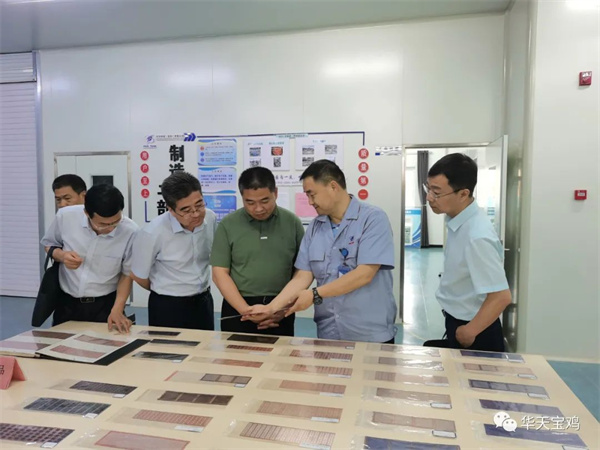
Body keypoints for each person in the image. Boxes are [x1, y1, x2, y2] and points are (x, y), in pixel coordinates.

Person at [243, 159, 397, 343]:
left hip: (369, 333)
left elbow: (364, 274)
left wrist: (314, 294)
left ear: (333, 186)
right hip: (329, 332)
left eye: (312, 194)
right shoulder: (316, 227)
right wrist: (271, 308)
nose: (309, 202)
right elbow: (303, 276)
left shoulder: (372, 219)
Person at [424, 153, 511, 351]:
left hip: (476, 330)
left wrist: (469, 331)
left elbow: (501, 296)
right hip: (459, 320)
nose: (429, 198)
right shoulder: (458, 221)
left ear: (463, 194)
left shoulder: (477, 236)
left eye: (436, 192)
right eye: (428, 189)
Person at [211, 167, 304, 336]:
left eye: (265, 200)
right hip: (238, 307)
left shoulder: (292, 223)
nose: (258, 208)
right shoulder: (228, 225)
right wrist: (246, 311)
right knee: (236, 353)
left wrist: (282, 309)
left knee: (281, 353)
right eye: (250, 202)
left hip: (281, 307)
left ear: (275, 193)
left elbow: (302, 272)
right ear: (242, 197)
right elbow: (219, 273)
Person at [40, 184, 138, 333]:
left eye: (115, 222)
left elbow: (127, 274)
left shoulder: (131, 231)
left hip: (105, 304)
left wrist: (118, 309)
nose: (110, 228)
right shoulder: (65, 217)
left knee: (107, 345)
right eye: (103, 224)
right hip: (66, 303)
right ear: (86, 213)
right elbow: (49, 245)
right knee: (62, 344)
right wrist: (63, 256)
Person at [131, 172, 217, 330]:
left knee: (205, 345)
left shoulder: (210, 218)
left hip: (203, 300)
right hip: (168, 306)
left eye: (199, 204)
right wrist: (164, 288)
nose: (195, 214)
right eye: (186, 210)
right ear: (170, 209)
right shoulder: (153, 232)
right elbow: (138, 275)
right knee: (168, 346)